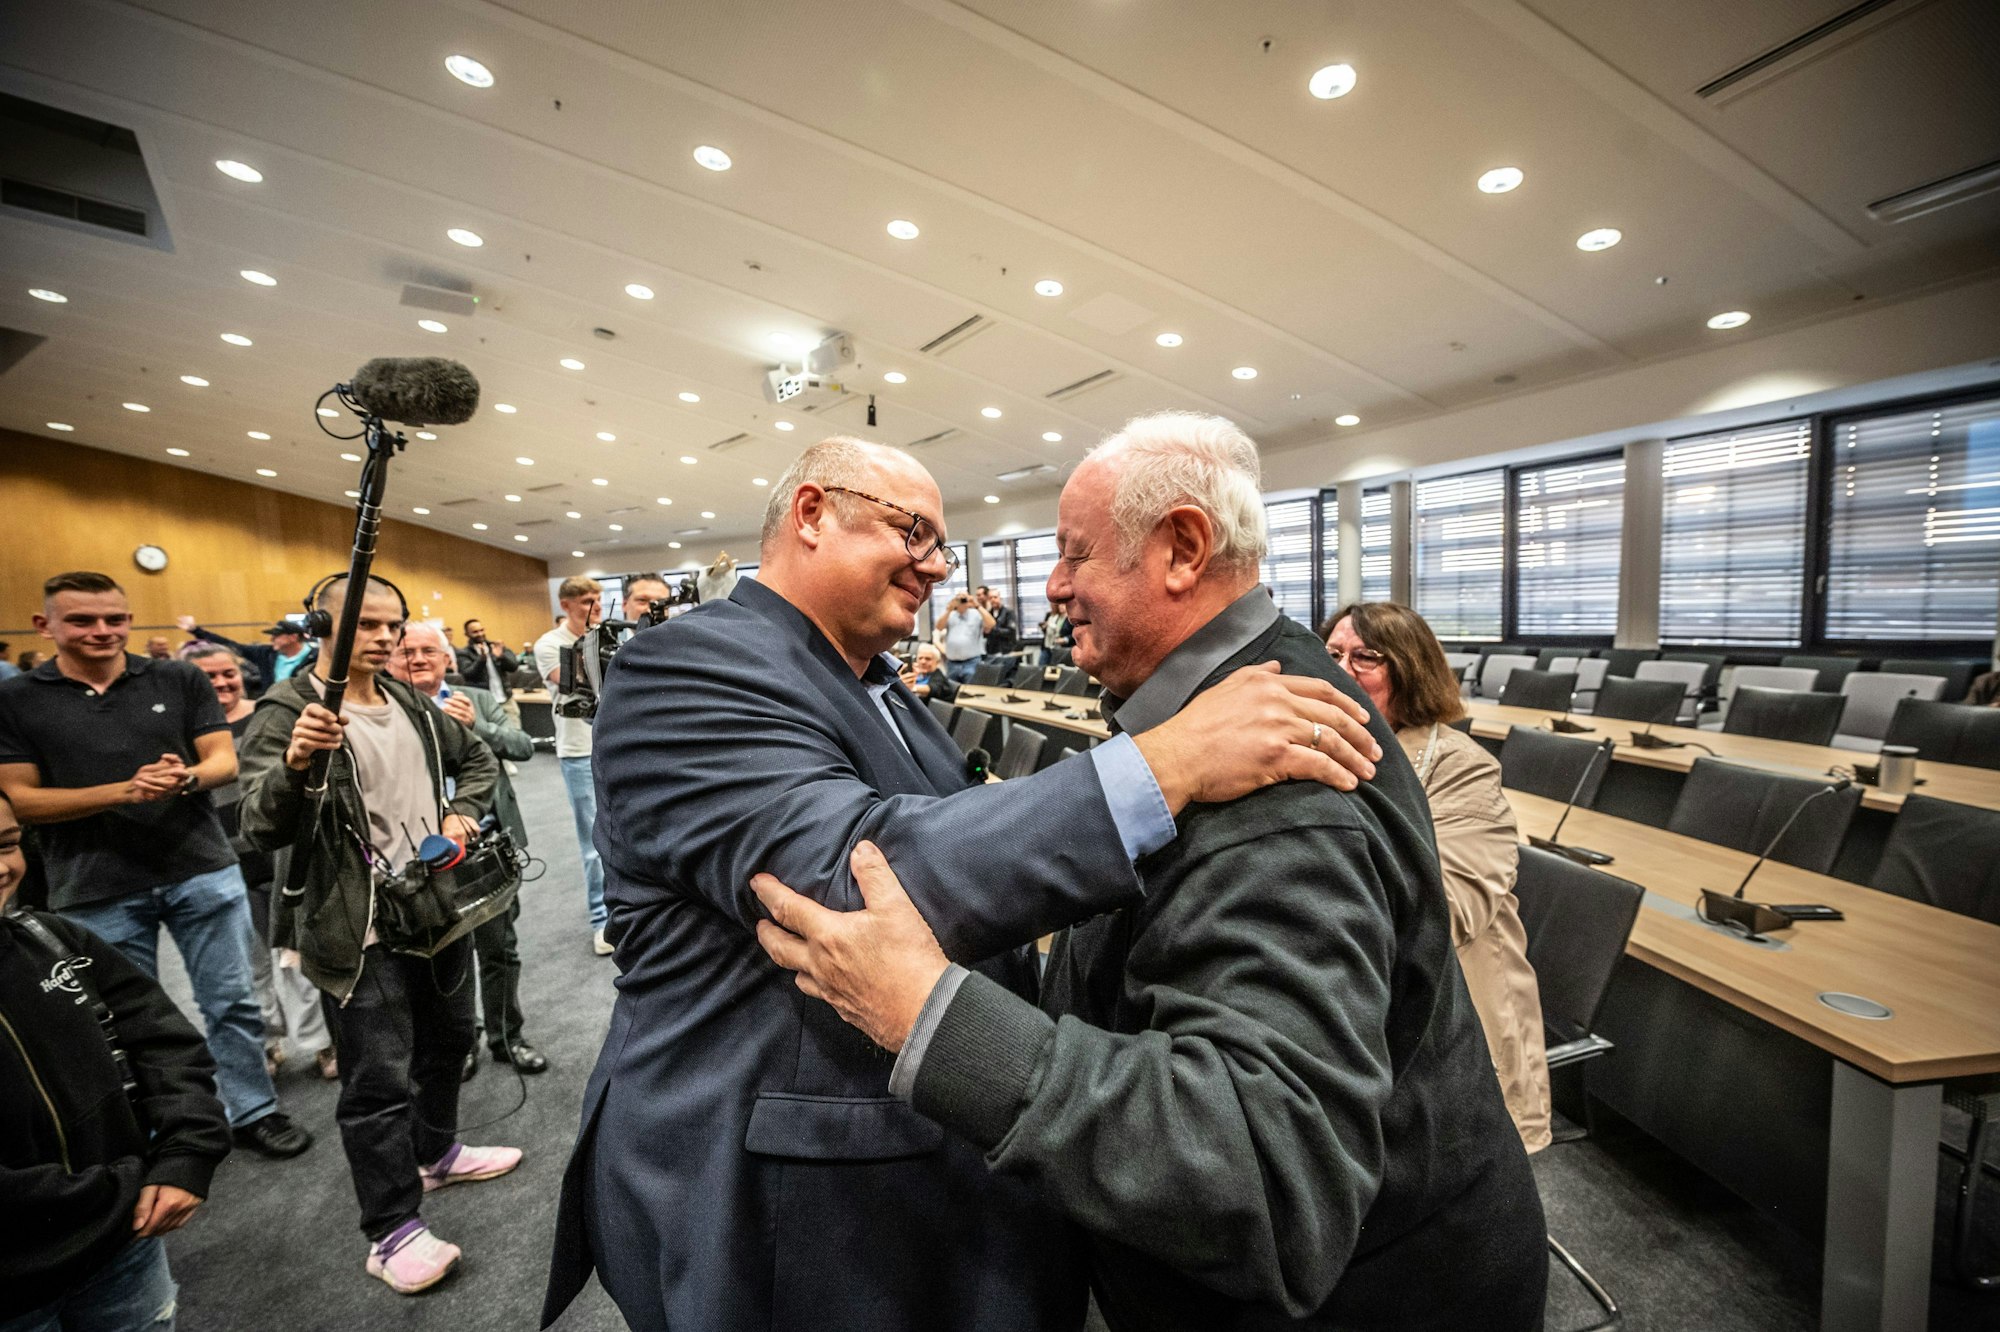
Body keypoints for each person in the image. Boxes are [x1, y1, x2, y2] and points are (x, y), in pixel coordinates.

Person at [540, 433, 1382, 1332]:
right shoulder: (686, 666)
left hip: (920, 1166)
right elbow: (860, 876)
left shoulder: (871, 678)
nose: (936, 568)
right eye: (915, 534)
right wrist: (1165, 764)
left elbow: (943, 820)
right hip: (783, 1208)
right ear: (813, 513)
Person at [752, 412, 1547, 1332]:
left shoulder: (1281, 777)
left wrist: (931, 1014)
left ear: (1181, 549)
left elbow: (1262, 1174)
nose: (1050, 587)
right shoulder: (1226, 713)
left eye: (1075, 555)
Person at [235, 574, 519, 1294]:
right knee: (376, 1081)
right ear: (321, 626)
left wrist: (463, 814)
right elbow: (258, 825)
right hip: (352, 925)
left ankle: (438, 1153)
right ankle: (391, 1232)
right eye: (367, 624)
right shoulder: (290, 708)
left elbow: (479, 758)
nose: (386, 637)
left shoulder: (403, 700)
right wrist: (298, 762)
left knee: (451, 1039)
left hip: (433, 906)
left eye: (393, 625)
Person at [0, 571, 311, 1162]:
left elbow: (222, 761)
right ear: (46, 626)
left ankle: (253, 1109)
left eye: (115, 619)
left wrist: (181, 778)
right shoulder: (16, 700)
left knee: (233, 1001)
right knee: (123, 1021)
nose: (103, 631)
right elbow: (21, 801)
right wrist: (126, 791)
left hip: (199, 867)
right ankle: (159, 1132)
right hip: (94, 885)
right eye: (83, 621)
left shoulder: (176, 675)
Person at [0, 788, 233, 1332]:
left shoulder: (51, 939)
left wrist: (186, 1153)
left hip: (123, 1247)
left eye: (8, 843)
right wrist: (120, 1191)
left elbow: (161, 1039)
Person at [1322, 603, 1552, 1152]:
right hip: (1367, 1009)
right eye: (1331, 655)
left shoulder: (1460, 768)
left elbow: (1447, 911)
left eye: (1366, 658)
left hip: (1455, 1024)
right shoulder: (1321, 746)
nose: (1342, 670)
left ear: (1409, 669)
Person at [386, 622, 547, 1079]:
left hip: (483, 853)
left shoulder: (473, 700)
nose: (417, 659)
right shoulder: (384, 711)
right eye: (406, 651)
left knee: (499, 950)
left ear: (445, 659)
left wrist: (478, 728)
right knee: (441, 961)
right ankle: (461, 1042)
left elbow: (521, 747)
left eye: (427, 651)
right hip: (417, 863)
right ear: (391, 660)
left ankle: (506, 1037)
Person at [187, 643, 335, 1084]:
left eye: (227, 674)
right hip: (223, 862)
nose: (220, 684)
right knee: (249, 965)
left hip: (280, 856)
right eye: (207, 677)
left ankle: (322, 1045)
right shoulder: (184, 729)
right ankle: (267, 1043)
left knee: (297, 958)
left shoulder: (267, 714)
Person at [534, 577, 613, 956]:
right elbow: (574, 682)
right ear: (565, 605)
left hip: (615, 749)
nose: (594, 606)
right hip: (579, 753)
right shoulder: (550, 644)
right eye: (585, 601)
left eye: (597, 598)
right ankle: (601, 921)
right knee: (593, 846)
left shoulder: (608, 634)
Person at [177, 615, 314, 696]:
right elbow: (231, 646)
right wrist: (196, 631)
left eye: (276, 636)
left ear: (293, 637)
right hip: (273, 707)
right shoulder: (266, 653)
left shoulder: (315, 656)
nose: (272, 639)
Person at [455, 618, 520, 701]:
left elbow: (514, 667)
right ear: (466, 634)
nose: (480, 634)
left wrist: (502, 657)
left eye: (481, 630)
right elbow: (467, 674)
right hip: (483, 701)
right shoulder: (463, 653)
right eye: (475, 632)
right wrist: (481, 660)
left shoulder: (495, 647)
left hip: (505, 697)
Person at [938, 590, 991, 683]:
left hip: (972, 662)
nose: (962, 601)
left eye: (964, 598)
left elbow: (991, 624)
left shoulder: (976, 614)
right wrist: (949, 609)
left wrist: (977, 605)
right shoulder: (950, 614)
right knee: (952, 692)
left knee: (971, 692)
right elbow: (939, 627)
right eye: (959, 598)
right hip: (952, 663)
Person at [976, 585, 1018, 656]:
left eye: (995, 597)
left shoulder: (1008, 612)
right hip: (991, 650)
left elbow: (1011, 631)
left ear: (1000, 598)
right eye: (990, 598)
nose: (993, 600)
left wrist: (993, 630)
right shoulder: (988, 614)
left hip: (1006, 650)